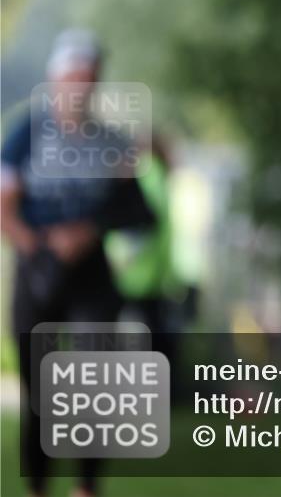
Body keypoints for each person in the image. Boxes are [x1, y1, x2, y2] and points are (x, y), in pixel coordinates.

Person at [1, 29, 155, 497]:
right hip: (39, 270)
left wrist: (87, 231)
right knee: (40, 392)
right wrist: (40, 245)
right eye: (73, 79)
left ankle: (86, 488)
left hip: (91, 277)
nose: (80, 89)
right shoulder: (26, 133)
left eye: (89, 81)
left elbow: (139, 214)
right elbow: (4, 206)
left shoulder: (110, 143)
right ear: (55, 80)